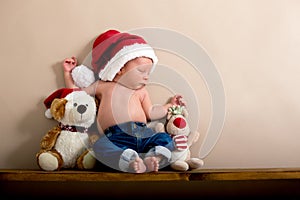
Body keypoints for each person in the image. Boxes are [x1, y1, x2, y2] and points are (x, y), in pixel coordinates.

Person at [62, 29, 186, 173]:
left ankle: (154, 158)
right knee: (99, 146)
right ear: (119, 68)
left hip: (143, 133)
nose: (146, 77)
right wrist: (67, 73)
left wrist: (170, 105)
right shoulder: (104, 86)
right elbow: (77, 95)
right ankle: (130, 160)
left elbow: (151, 112)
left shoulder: (141, 91)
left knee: (165, 138)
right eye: (141, 71)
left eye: (148, 73)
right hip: (115, 138)